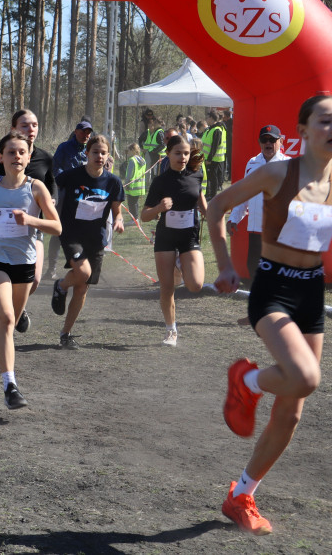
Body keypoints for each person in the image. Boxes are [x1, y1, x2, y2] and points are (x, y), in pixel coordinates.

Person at [206, 94, 330, 536]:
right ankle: (246, 381)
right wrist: (225, 265)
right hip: (272, 291)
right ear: (303, 130)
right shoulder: (278, 171)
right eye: (325, 120)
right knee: (306, 377)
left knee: (291, 412)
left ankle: (241, 494)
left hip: (311, 294)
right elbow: (217, 207)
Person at [0, 131, 61, 409]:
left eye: (22, 152)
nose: (17, 157)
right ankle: (10, 385)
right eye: (11, 152)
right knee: (8, 319)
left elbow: (57, 227)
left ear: (29, 156)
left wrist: (32, 220)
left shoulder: (36, 188)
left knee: (6, 319)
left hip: (24, 263)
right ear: (1, 157)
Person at [50, 135, 125, 348]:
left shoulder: (113, 182)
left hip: (96, 238)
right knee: (83, 273)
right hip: (72, 234)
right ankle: (61, 285)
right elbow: (52, 188)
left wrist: (118, 221)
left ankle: (66, 333)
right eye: (95, 152)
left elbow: (117, 211)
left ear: (108, 155)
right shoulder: (71, 176)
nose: (99, 156)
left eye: (103, 153)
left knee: (82, 288)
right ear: (87, 154)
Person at [0, 110, 55, 329]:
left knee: (34, 280)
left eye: (34, 125)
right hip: (1, 235)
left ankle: (11, 308)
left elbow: (52, 193)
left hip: (32, 231)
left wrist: (42, 204)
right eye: (25, 125)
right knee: (6, 315)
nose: (30, 129)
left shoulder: (45, 158)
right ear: (13, 128)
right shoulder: (3, 157)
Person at [140, 134, 207, 346]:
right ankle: (171, 331)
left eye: (186, 153)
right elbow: (144, 215)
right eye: (178, 153)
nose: (183, 157)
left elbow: (202, 204)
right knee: (167, 287)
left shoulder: (196, 176)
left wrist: (213, 214)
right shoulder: (160, 181)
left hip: (189, 236)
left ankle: (180, 267)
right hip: (166, 238)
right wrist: (159, 208)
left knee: (196, 285)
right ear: (168, 154)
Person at [228, 125, 289, 286]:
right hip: (255, 229)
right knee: (253, 267)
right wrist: (234, 218)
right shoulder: (252, 163)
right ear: (259, 142)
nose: (268, 143)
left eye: (272, 140)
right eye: (264, 139)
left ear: (281, 141)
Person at [47, 119, 92, 279]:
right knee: (58, 231)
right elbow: (55, 167)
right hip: (65, 194)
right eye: (83, 132)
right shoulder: (65, 147)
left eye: (88, 133)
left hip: (85, 196)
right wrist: (68, 179)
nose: (86, 135)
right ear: (76, 132)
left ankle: (80, 267)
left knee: (83, 231)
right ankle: (51, 268)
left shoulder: (90, 149)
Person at [202, 109, 228, 200]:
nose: (206, 119)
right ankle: (209, 194)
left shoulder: (217, 130)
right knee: (209, 177)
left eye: (207, 117)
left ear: (212, 118)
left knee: (213, 178)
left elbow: (214, 146)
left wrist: (209, 159)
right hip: (208, 158)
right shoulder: (211, 129)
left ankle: (213, 196)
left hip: (214, 159)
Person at [123, 143, 147, 219]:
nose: (128, 152)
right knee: (135, 202)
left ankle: (134, 219)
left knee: (131, 203)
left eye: (129, 150)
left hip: (132, 186)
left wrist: (127, 184)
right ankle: (135, 218)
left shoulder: (132, 160)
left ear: (133, 150)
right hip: (140, 187)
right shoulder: (143, 160)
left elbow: (129, 174)